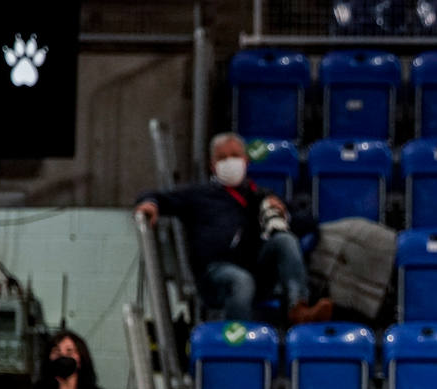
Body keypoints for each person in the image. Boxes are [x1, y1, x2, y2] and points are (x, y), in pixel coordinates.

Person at [134, 131, 330, 326]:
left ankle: (299, 309)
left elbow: (308, 222)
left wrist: (282, 212)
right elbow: (157, 197)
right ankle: (239, 344)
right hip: (215, 276)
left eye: (235, 156)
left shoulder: (259, 195)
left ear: (245, 161)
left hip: (257, 273)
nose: (229, 162)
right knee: (240, 280)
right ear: (213, 165)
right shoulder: (198, 195)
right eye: (222, 157)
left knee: (284, 241)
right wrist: (150, 203)